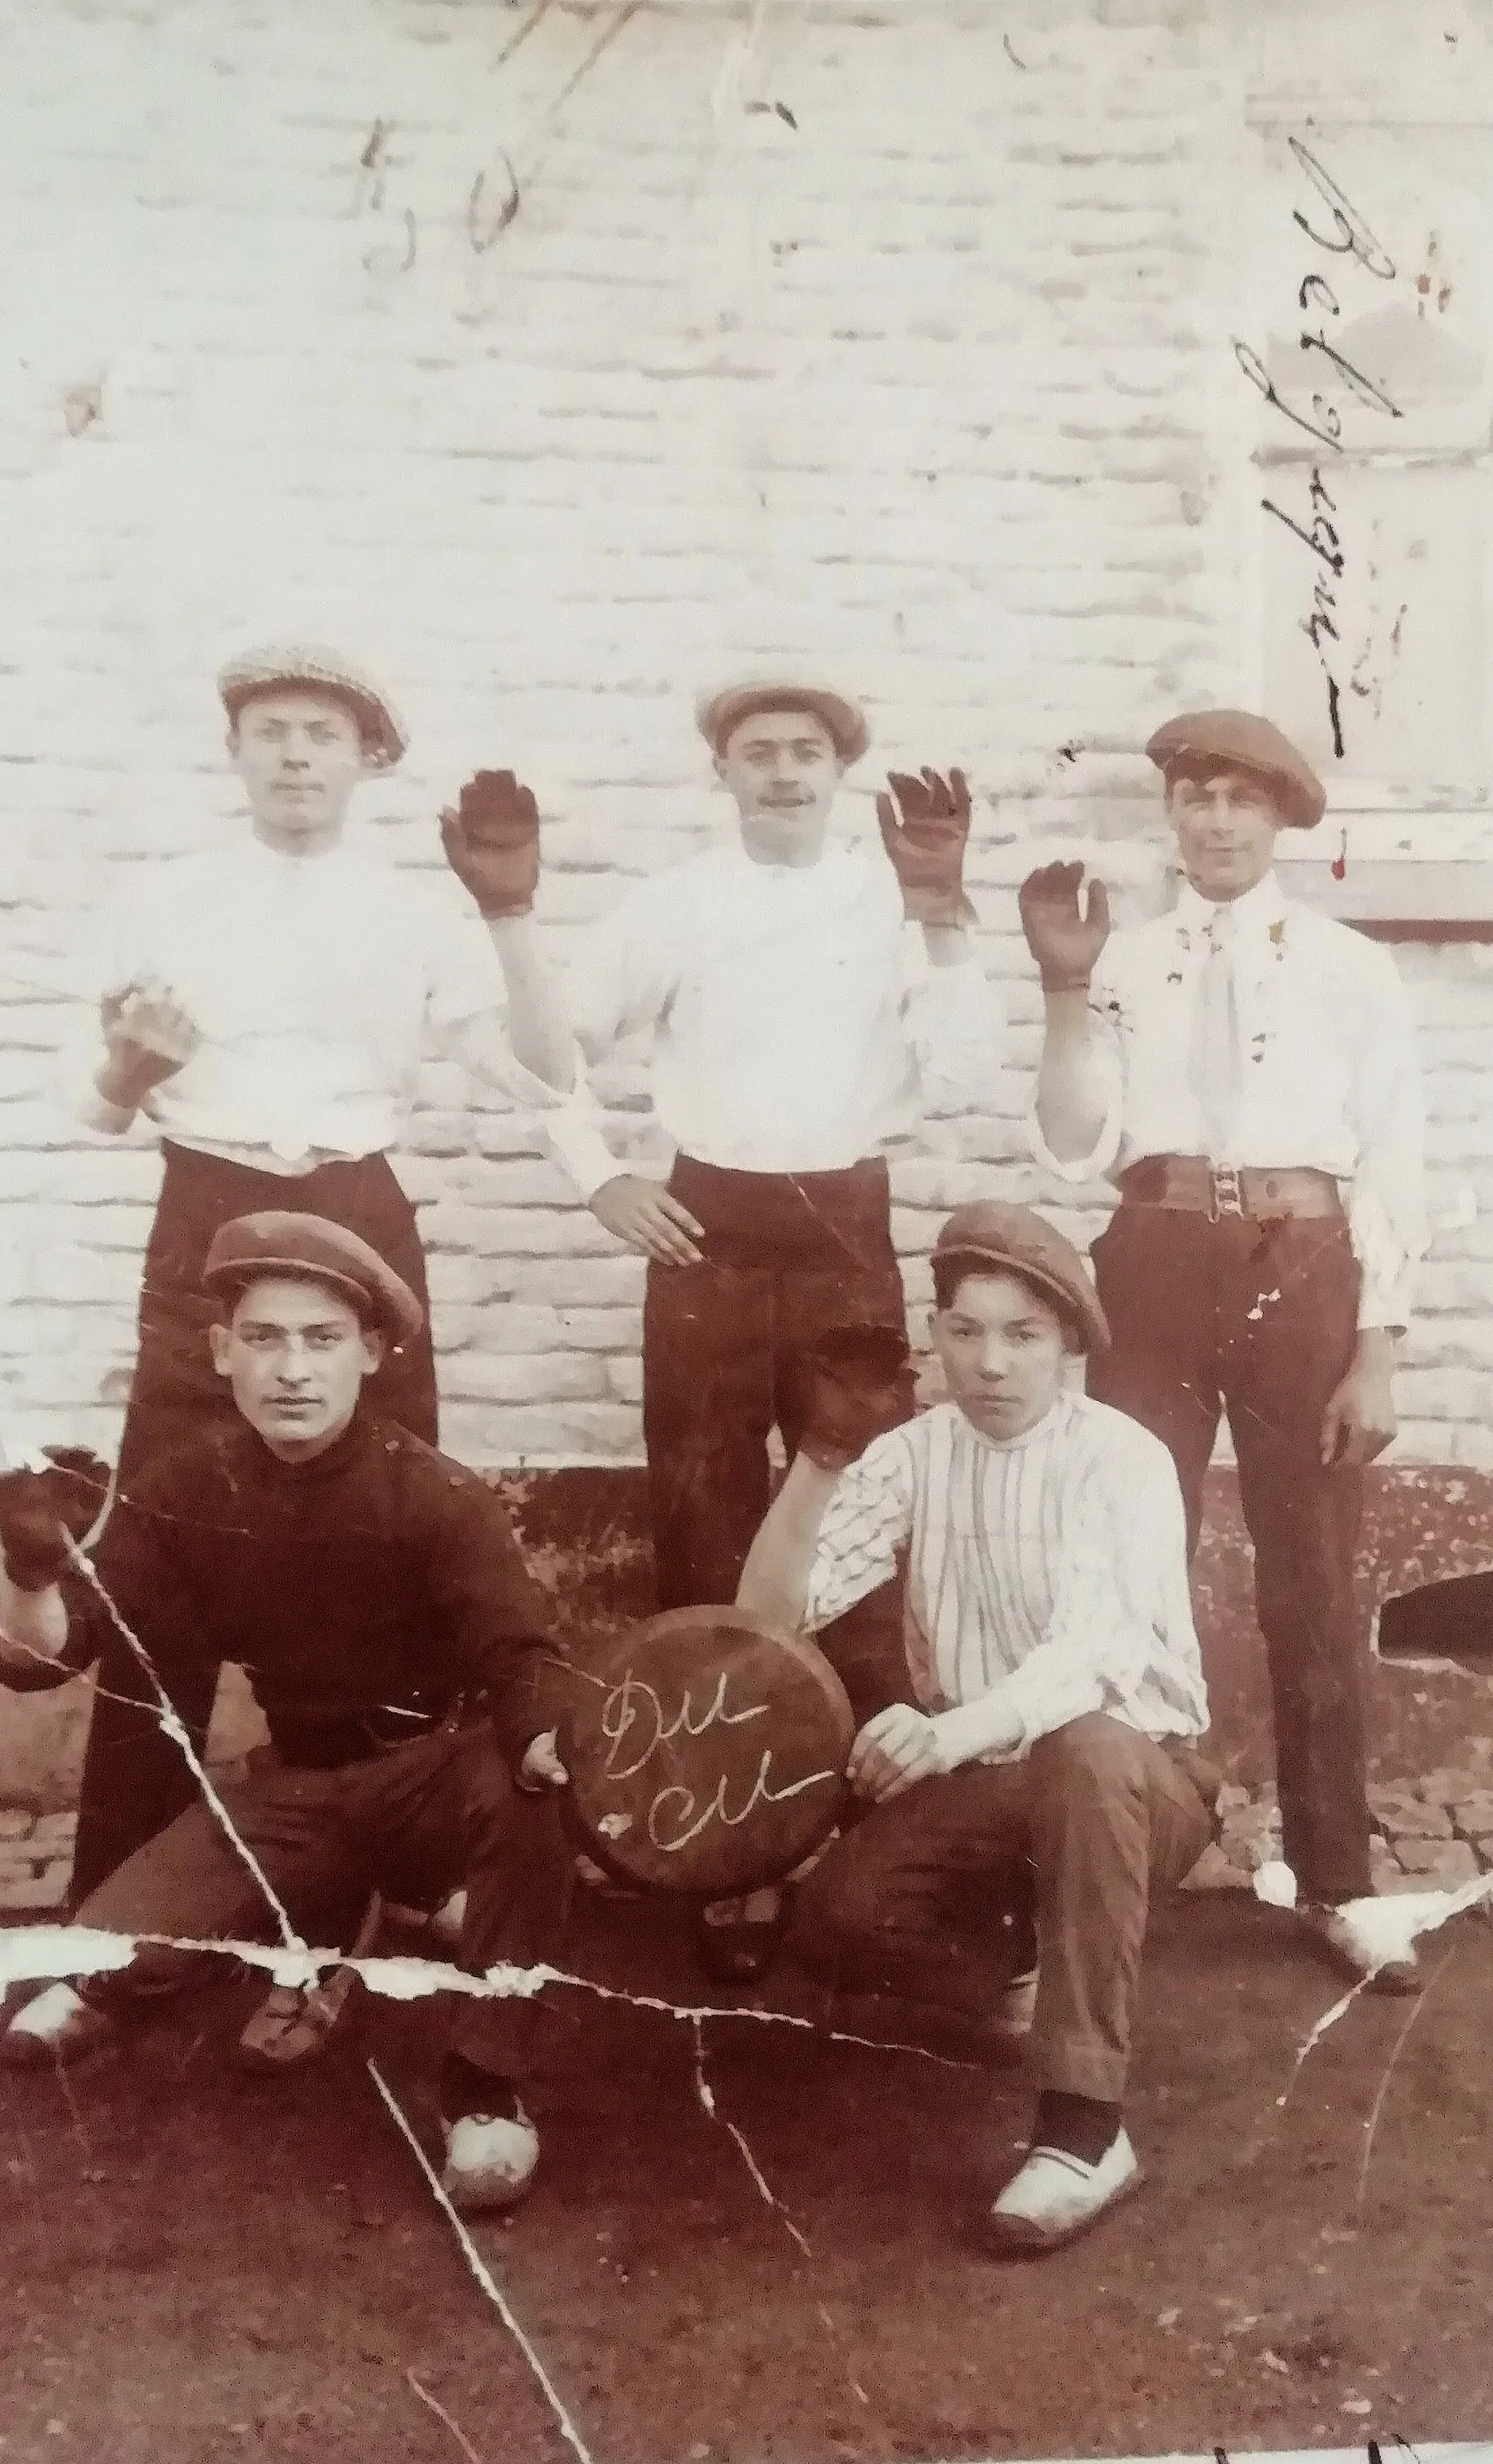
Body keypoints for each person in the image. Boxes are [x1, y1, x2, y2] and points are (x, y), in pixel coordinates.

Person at [59, 644, 574, 1932]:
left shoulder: (414, 910)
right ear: (236, 752)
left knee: (394, 1542)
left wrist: (512, 918)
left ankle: (404, 1875)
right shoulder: (165, 899)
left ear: (364, 763)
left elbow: (541, 1072)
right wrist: (128, 1071)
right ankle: (115, 1896)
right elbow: (90, 1106)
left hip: (357, 1214)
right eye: (273, 731)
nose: (296, 754)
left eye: (324, 735)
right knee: (155, 1564)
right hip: (206, 1209)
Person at [539, 676, 1004, 1979]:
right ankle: (718, 1854)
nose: (785, 773)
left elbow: (967, 1076)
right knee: (701, 1517)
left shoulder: (891, 892)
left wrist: (945, 917)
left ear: (843, 769)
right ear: (723, 771)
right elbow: (546, 1046)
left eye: (808, 752)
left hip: (847, 1216)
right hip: (705, 1224)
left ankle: (852, 1841)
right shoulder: (675, 904)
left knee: (859, 1517)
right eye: (759, 753)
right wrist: (600, 1175)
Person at [0, 1214, 573, 2217]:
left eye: (322, 1339)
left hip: (433, 1772)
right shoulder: (185, 1486)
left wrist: (551, 1740)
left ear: (371, 1355)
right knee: (105, 1954)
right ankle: (347, 1912)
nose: (291, 1369)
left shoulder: (435, 1496)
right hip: (297, 1785)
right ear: (221, 1353)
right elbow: (43, 1658)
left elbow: (520, 1657)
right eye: (263, 1338)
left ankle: (485, 2086)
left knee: (531, 1794)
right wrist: (35, 1568)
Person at [1017, 708, 1426, 1993]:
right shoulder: (1121, 956)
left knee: (1309, 1574)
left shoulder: (1351, 965)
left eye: (1244, 802)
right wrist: (1065, 989)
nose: (1218, 822)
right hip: (1154, 1261)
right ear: (1173, 817)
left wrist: (1380, 1347)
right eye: (1196, 798)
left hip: (1302, 1269)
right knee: (1128, 1562)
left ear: (1284, 820)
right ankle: (1106, 1871)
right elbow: (1072, 1147)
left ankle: (1339, 1883)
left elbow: (1398, 1156)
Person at [734, 1202, 1220, 2254]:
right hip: (990, 1783)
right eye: (964, 1331)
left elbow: (1090, 1657)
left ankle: (1086, 2129)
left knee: (1084, 1748)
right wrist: (820, 1458)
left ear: (1070, 1347)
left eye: (1022, 1335)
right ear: (936, 1336)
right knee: (840, 1922)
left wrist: (945, 1736)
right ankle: (1033, 1966)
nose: (989, 1363)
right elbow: (771, 1621)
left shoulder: (1123, 1459)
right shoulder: (916, 1452)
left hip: (1137, 1776)